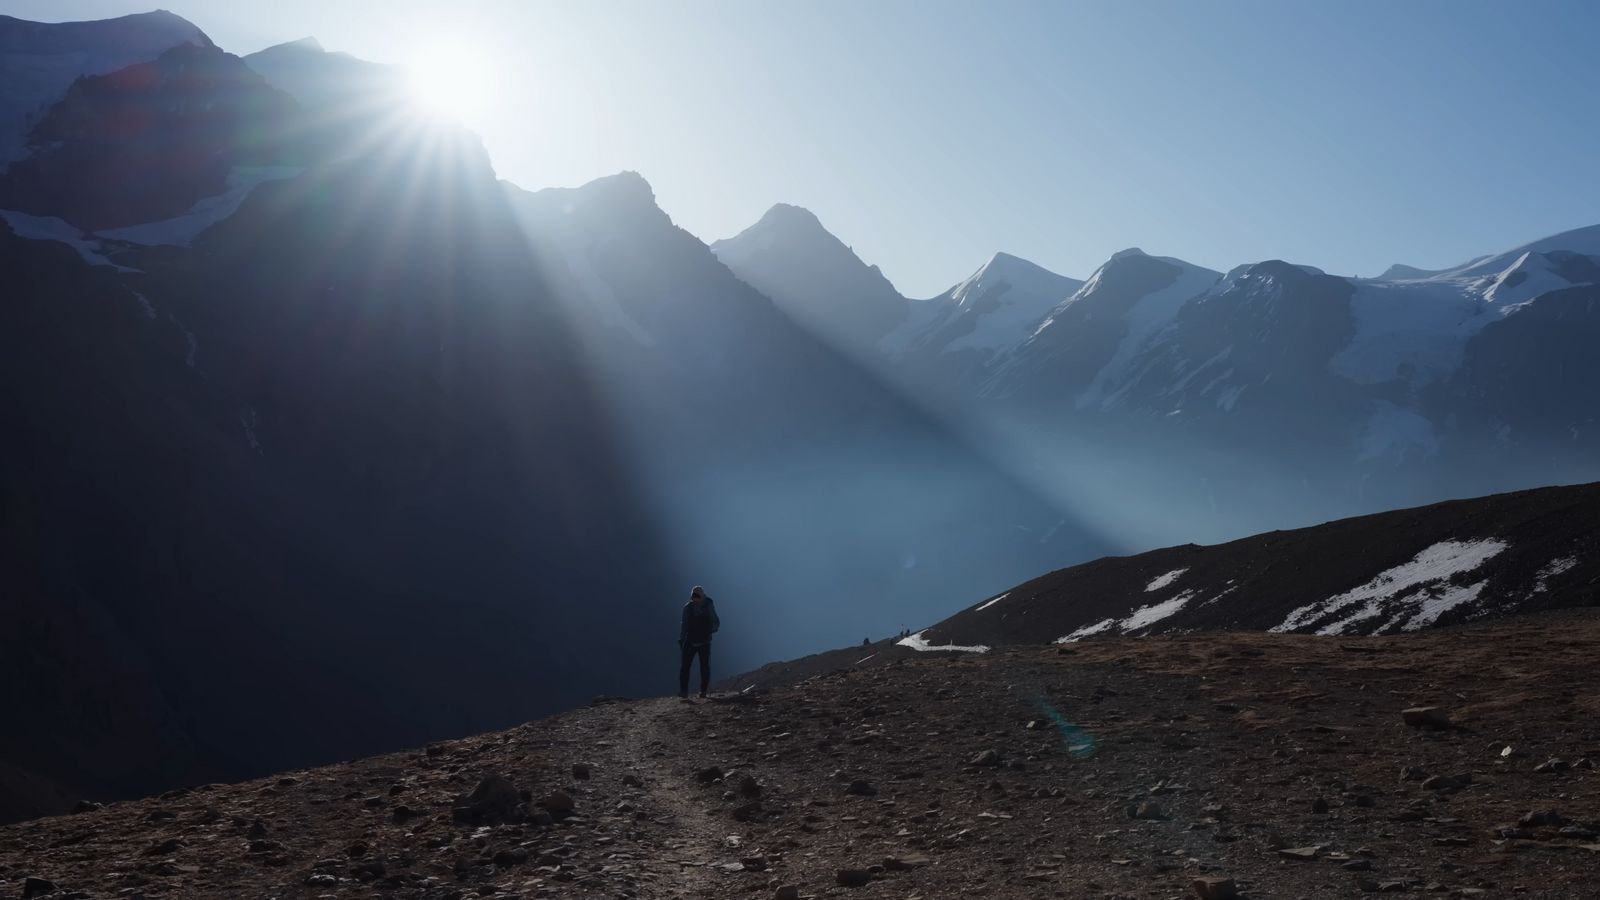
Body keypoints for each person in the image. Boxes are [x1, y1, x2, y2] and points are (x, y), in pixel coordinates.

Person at [678, 585, 720, 699]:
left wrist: (708, 631)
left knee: (702, 667)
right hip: (697, 640)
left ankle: (702, 691)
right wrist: (682, 638)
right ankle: (685, 691)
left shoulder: (705, 606)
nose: (695, 599)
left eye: (696, 597)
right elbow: (684, 624)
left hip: (701, 641)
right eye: (693, 597)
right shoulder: (691, 607)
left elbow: (716, 622)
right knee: (688, 667)